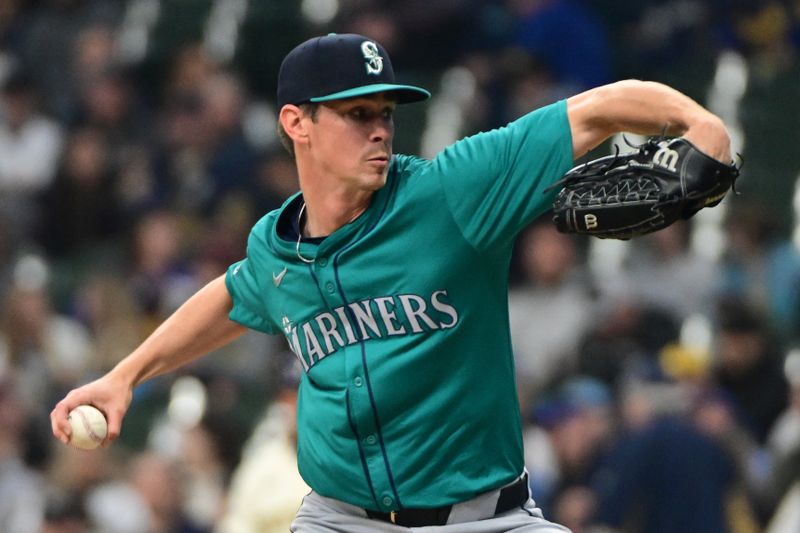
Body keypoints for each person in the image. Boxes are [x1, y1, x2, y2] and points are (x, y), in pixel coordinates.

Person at [51, 33, 732, 532]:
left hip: (484, 520)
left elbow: (600, 109)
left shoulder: (453, 190)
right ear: (297, 123)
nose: (379, 129)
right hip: (338, 519)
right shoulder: (276, 246)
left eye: (385, 113)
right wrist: (127, 375)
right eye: (357, 115)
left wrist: (703, 126)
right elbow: (234, 293)